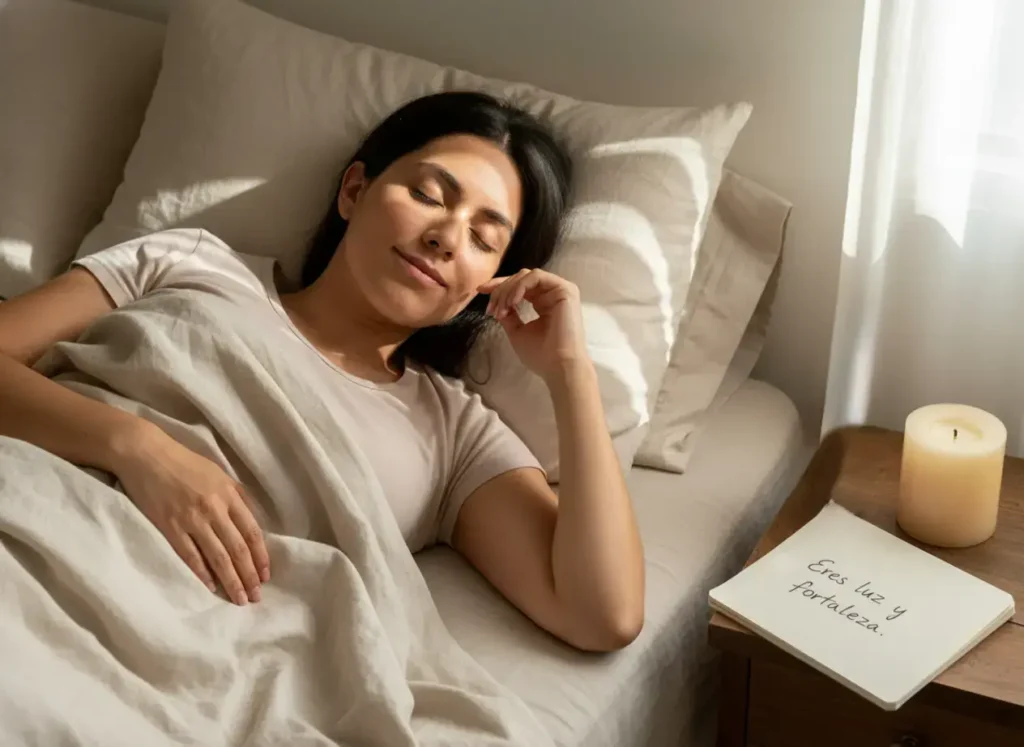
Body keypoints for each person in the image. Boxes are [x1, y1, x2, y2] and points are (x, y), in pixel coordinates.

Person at [0, 91, 644, 652]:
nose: (447, 236)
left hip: (170, 629)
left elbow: (603, 614)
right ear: (355, 190)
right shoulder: (192, 262)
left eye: (483, 238)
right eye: (428, 194)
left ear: (489, 282)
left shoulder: (456, 434)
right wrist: (137, 447)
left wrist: (568, 372)